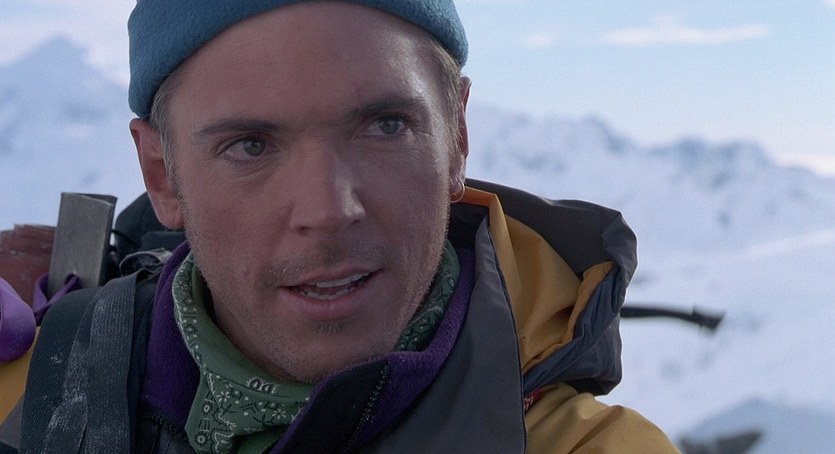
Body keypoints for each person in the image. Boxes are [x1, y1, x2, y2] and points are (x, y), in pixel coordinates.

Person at [0, 1, 681, 452]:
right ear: (162, 174)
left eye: (386, 127)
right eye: (250, 146)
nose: (327, 211)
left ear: (456, 137)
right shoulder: (31, 397)